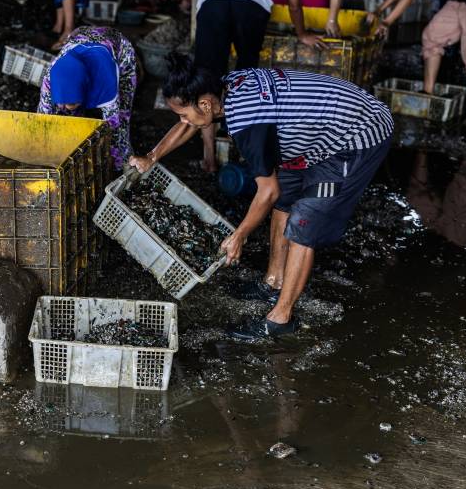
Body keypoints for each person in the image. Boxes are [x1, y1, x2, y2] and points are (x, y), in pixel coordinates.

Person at [129, 55, 393, 340]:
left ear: (205, 104)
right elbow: (192, 123)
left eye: (182, 113)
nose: (182, 120)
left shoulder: (247, 121)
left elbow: (267, 191)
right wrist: (151, 157)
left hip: (357, 134)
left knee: (304, 221)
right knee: (285, 200)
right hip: (314, 135)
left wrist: (240, 235)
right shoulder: (224, 88)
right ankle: (273, 282)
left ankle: (281, 318)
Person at [190, 0, 321, 172]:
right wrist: (302, 34)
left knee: (207, 78)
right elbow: (294, 3)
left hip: (211, 2)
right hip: (250, 4)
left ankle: (209, 157)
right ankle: (238, 149)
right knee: (244, 78)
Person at [37, 25, 137, 172]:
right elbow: (42, 119)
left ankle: (122, 163)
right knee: (68, 116)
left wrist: (113, 161)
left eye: (70, 102)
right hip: (80, 36)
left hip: (117, 50)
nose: (64, 107)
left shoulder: (106, 79)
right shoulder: (50, 77)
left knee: (121, 118)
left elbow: (113, 126)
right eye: (61, 102)